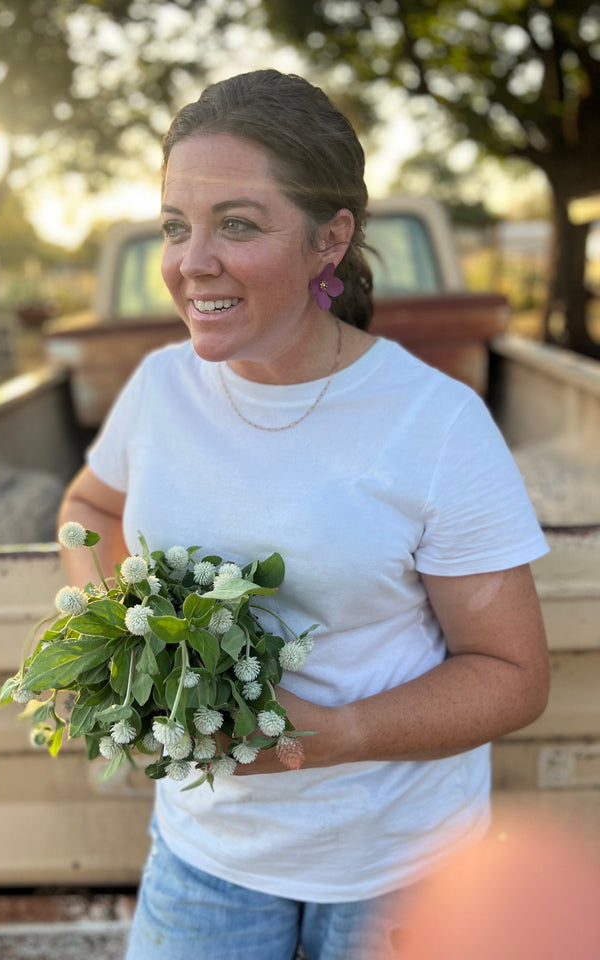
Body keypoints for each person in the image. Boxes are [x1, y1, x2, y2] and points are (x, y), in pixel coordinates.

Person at [57, 70, 550, 960]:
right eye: (177, 226)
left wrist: (338, 735)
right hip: (205, 858)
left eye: (236, 225)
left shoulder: (432, 423)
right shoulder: (162, 387)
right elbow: (89, 505)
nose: (190, 262)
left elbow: (512, 672)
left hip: (401, 871)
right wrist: (124, 629)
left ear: (331, 239)